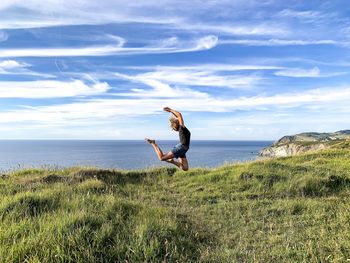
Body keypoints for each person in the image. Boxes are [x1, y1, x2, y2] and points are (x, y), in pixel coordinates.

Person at [145, 107, 191, 171]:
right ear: (178, 123)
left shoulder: (183, 129)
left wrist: (172, 113)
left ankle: (172, 161)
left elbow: (178, 116)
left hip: (183, 149)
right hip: (181, 148)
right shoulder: (182, 128)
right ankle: (153, 143)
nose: (178, 119)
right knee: (161, 158)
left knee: (185, 168)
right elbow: (179, 114)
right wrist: (170, 110)